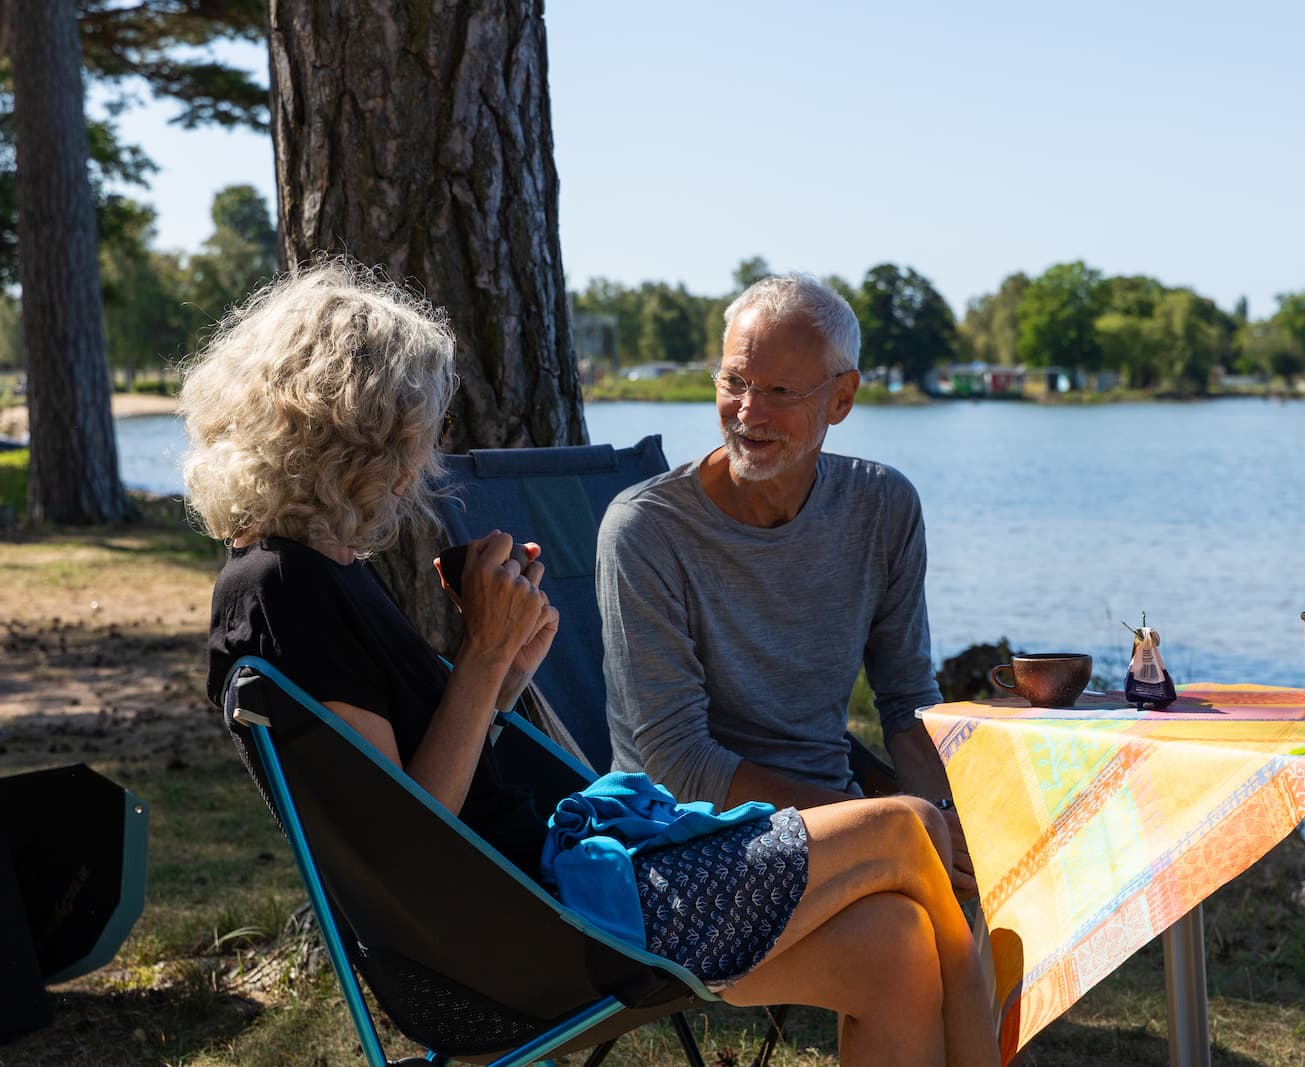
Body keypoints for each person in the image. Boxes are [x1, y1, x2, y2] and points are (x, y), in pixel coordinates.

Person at [181, 260, 997, 1067]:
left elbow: (424, 784)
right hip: (534, 933)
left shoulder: (323, 571)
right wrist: (483, 656)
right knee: (907, 824)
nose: (424, 455)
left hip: (559, 893)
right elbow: (407, 842)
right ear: (352, 430)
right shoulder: (281, 589)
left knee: (892, 947)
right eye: (414, 428)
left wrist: (503, 670)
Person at [598, 273, 975, 895]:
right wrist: (887, 825)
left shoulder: (882, 507)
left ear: (842, 399)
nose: (749, 413)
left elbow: (906, 705)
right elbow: (678, 765)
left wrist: (953, 830)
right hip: (686, 844)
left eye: (778, 390)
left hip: (844, 823)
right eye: (734, 382)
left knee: (983, 899)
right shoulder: (646, 530)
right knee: (905, 935)